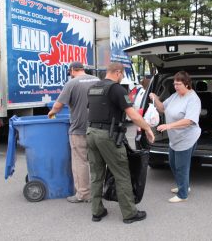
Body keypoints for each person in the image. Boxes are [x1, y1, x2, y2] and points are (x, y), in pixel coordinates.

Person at [86, 62, 155, 223]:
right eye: (122, 75)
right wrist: (147, 128)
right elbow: (133, 115)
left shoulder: (93, 88)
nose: (122, 77)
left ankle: (97, 211)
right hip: (107, 136)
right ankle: (130, 213)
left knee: (96, 174)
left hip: (90, 133)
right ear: (117, 72)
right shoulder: (116, 89)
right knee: (122, 173)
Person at [48, 61, 99, 203]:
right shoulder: (98, 80)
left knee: (81, 162)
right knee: (97, 162)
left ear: (72, 70)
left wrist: (51, 113)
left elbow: (58, 105)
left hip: (79, 129)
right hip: (98, 128)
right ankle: (98, 192)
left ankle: (83, 194)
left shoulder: (72, 84)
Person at [149, 71, 201, 203]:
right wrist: (155, 98)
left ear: (187, 84)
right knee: (172, 163)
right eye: (174, 83)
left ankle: (183, 194)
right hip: (175, 138)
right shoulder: (175, 96)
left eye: (179, 84)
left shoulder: (193, 99)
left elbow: (189, 120)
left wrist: (169, 126)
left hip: (187, 138)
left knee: (181, 167)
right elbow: (162, 108)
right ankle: (183, 186)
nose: (176, 86)